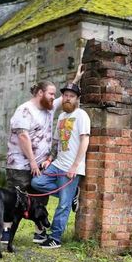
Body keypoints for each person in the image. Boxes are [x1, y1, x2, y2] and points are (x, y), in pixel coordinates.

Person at [3, 65, 84, 244]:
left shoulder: (48, 107)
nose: (54, 98)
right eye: (50, 94)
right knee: (13, 200)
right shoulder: (24, 110)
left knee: (39, 199)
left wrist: (76, 79)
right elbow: (23, 137)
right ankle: (5, 233)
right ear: (40, 93)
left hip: (40, 165)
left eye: (55, 95)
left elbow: (66, 97)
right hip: (19, 165)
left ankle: (39, 233)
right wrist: (32, 162)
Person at [31, 82, 90, 249]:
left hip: (71, 168)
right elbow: (57, 142)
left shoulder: (82, 115)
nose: (67, 98)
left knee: (63, 204)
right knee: (37, 183)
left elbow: (85, 141)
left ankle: (55, 238)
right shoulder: (62, 117)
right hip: (57, 164)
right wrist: (50, 158)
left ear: (77, 99)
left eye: (71, 96)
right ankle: (71, 194)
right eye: (65, 95)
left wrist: (75, 166)